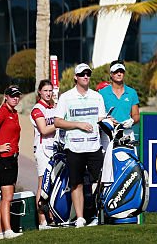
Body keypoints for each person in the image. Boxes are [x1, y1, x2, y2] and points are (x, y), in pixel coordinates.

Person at [53, 63, 109, 227]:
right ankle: (80, 218)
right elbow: (57, 122)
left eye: (88, 74)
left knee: (98, 182)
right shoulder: (66, 97)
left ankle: (97, 215)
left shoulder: (97, 96)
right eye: (82, 74)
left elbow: (100, 119)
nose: (86, 76)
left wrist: (107, 120)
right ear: (76, 77)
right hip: (74, 148)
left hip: (94, 147)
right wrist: (78, 124)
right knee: (76, 183)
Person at [0, 84, 23, 239]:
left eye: (17, 96)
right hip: (4, 159)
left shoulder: (13, 113)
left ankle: (2, 232)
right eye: (12, 96)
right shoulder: (3, 111)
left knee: (5, 195)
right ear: (6, 96)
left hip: (11, 158)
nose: (15, 98)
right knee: (8, 196)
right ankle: (8, 230)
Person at [30, 80, 58, 229]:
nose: (48, 93)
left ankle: (52, 216)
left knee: (53, 184)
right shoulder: (37, 109)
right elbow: (44, 129)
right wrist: (60, 123)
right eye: (45, 90)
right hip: (42, 149)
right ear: (39, 92)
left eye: (50, 90)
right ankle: (42, 219)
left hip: (54, 148)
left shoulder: (54, 106)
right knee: (42, 184)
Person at [98, 62, 140, 129]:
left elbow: (136, 115)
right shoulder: (102, 93)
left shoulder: (132, 92)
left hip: (127, 132)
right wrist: (107, 120)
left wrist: (131, 121)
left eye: (121, 72)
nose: (119, 74)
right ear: (111, 74)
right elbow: (98, 115)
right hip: (108, 132)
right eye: (116, 72)